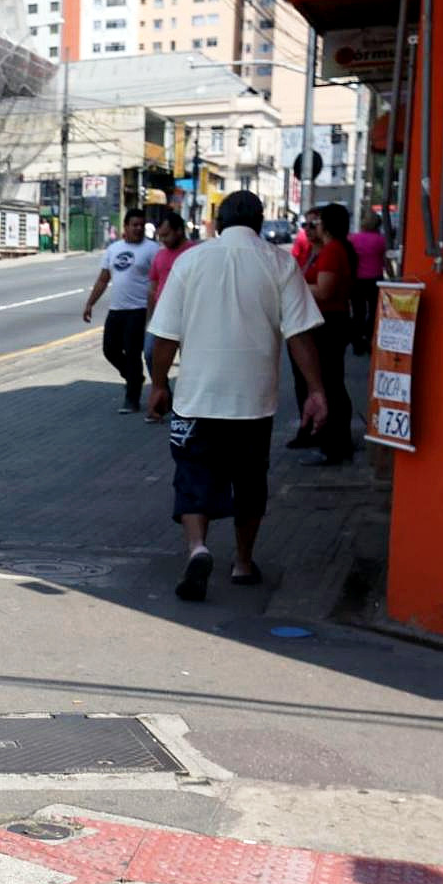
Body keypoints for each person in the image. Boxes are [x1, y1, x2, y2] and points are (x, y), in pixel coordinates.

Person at [145, 191, 329, 602]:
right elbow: (299, 334)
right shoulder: (281, 262)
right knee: (249, 482)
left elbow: (164, 336)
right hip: (254, 402)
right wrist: (316, 390)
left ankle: (198, 548)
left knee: (193, 476)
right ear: (261, 223)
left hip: (196, 398)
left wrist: (158, 385)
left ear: (217, 222)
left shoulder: (190, 261)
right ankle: (243, 563)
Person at [286, 202, 358, 464]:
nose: (311, 227)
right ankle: (327, 436)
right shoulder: (324, 250)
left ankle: (337, 443)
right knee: (327, 381)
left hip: (329, 321)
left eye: (315, 223)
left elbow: (325, 289)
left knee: (330, 383)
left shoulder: (333, 250)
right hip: (322, 321)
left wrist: (297, 286)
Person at [82, 208, 160, 412]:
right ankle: (134, 377)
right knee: (110, 350)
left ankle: (132, 399)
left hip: (139, 309)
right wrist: (90, 303)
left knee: (133, 353)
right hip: (117, 310)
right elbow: (103, 279)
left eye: (141, 225)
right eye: (134, 225)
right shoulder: (114, 249)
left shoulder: (152, 249)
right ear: (125, 227)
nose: (138, 228)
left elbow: (159, 280)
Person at [141, 213, 192, 404]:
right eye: (160, 236)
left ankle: (186, 400)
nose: (163, 240)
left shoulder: (194, 253)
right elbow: (153, 288)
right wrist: (150, 319)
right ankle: (162, 393)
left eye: (167, 235)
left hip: (188, 317)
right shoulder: (160, 255)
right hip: (163, 316)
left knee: (189, 361)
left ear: (179, 231)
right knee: (150, 353)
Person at [349, 212, 388, 355]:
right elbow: (385, 260)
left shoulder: (353, 239)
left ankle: (357, 343)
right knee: (374, 312)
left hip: (357, 280)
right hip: (375, 279)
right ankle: (370, 338)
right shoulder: (381, 240)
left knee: (358, 312)